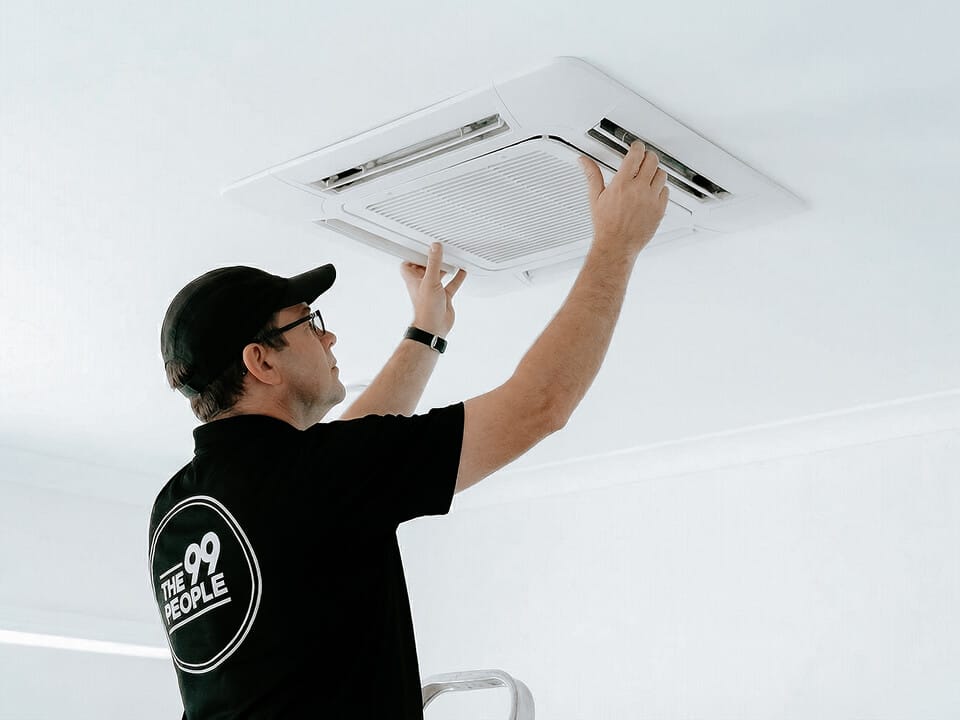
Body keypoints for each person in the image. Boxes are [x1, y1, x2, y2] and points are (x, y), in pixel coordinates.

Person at [148, 140, 668, 719]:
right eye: (308, 324)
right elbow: (539, 405)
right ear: (261, 362)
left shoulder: (178, 507)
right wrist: (617, 246)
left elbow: (338, 469)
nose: (329, 338)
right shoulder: (314, 478)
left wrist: (426, 333)